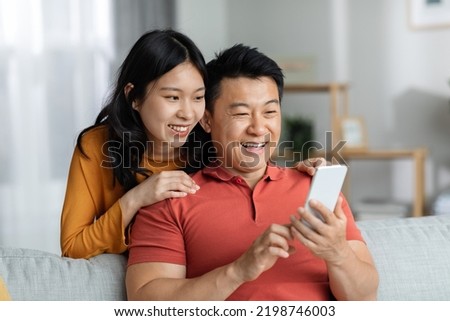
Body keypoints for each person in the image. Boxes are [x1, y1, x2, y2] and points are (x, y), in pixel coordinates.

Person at [126, 44, 379, 300]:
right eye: (241, 114)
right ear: (206, 120)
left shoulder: (317, 190)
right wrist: (238, 271)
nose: (259, 128)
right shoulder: (170, 201)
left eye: (270, 112)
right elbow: (146, 302)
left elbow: (366, 298)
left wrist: (338, 252)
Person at [60, 29, 323, 259]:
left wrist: (295, 176)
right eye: (173, 97)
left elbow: (250, 178)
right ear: (134, 97)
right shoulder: (97, 146)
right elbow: (72, 247)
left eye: (197, 98)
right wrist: (137, 199)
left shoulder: (207, 137)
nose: (188, 114)